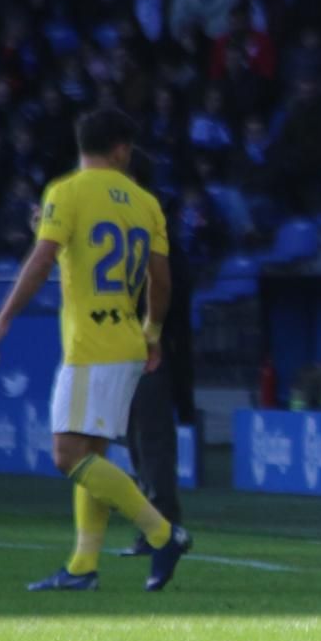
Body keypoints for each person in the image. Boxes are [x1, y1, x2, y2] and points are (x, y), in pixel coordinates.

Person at [0, 110, 192, 591]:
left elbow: (41, 260)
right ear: (120, 149)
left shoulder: (67, 191)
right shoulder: (145, 202)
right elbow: (160, 281)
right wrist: (152, 331)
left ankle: (163, 534)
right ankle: (82, 566)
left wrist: (3, 319)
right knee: (93, 453)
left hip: (90, 345)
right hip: (128, 341)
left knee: (67, 454)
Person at [119, 148, 193, 556]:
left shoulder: (151, 223)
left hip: (152, 350)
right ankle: (153, 528)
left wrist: (155, 336)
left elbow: (169, 289)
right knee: (137, 441)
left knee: (151, 442)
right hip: (124, 347)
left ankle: (163, 529)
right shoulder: (134, 222)